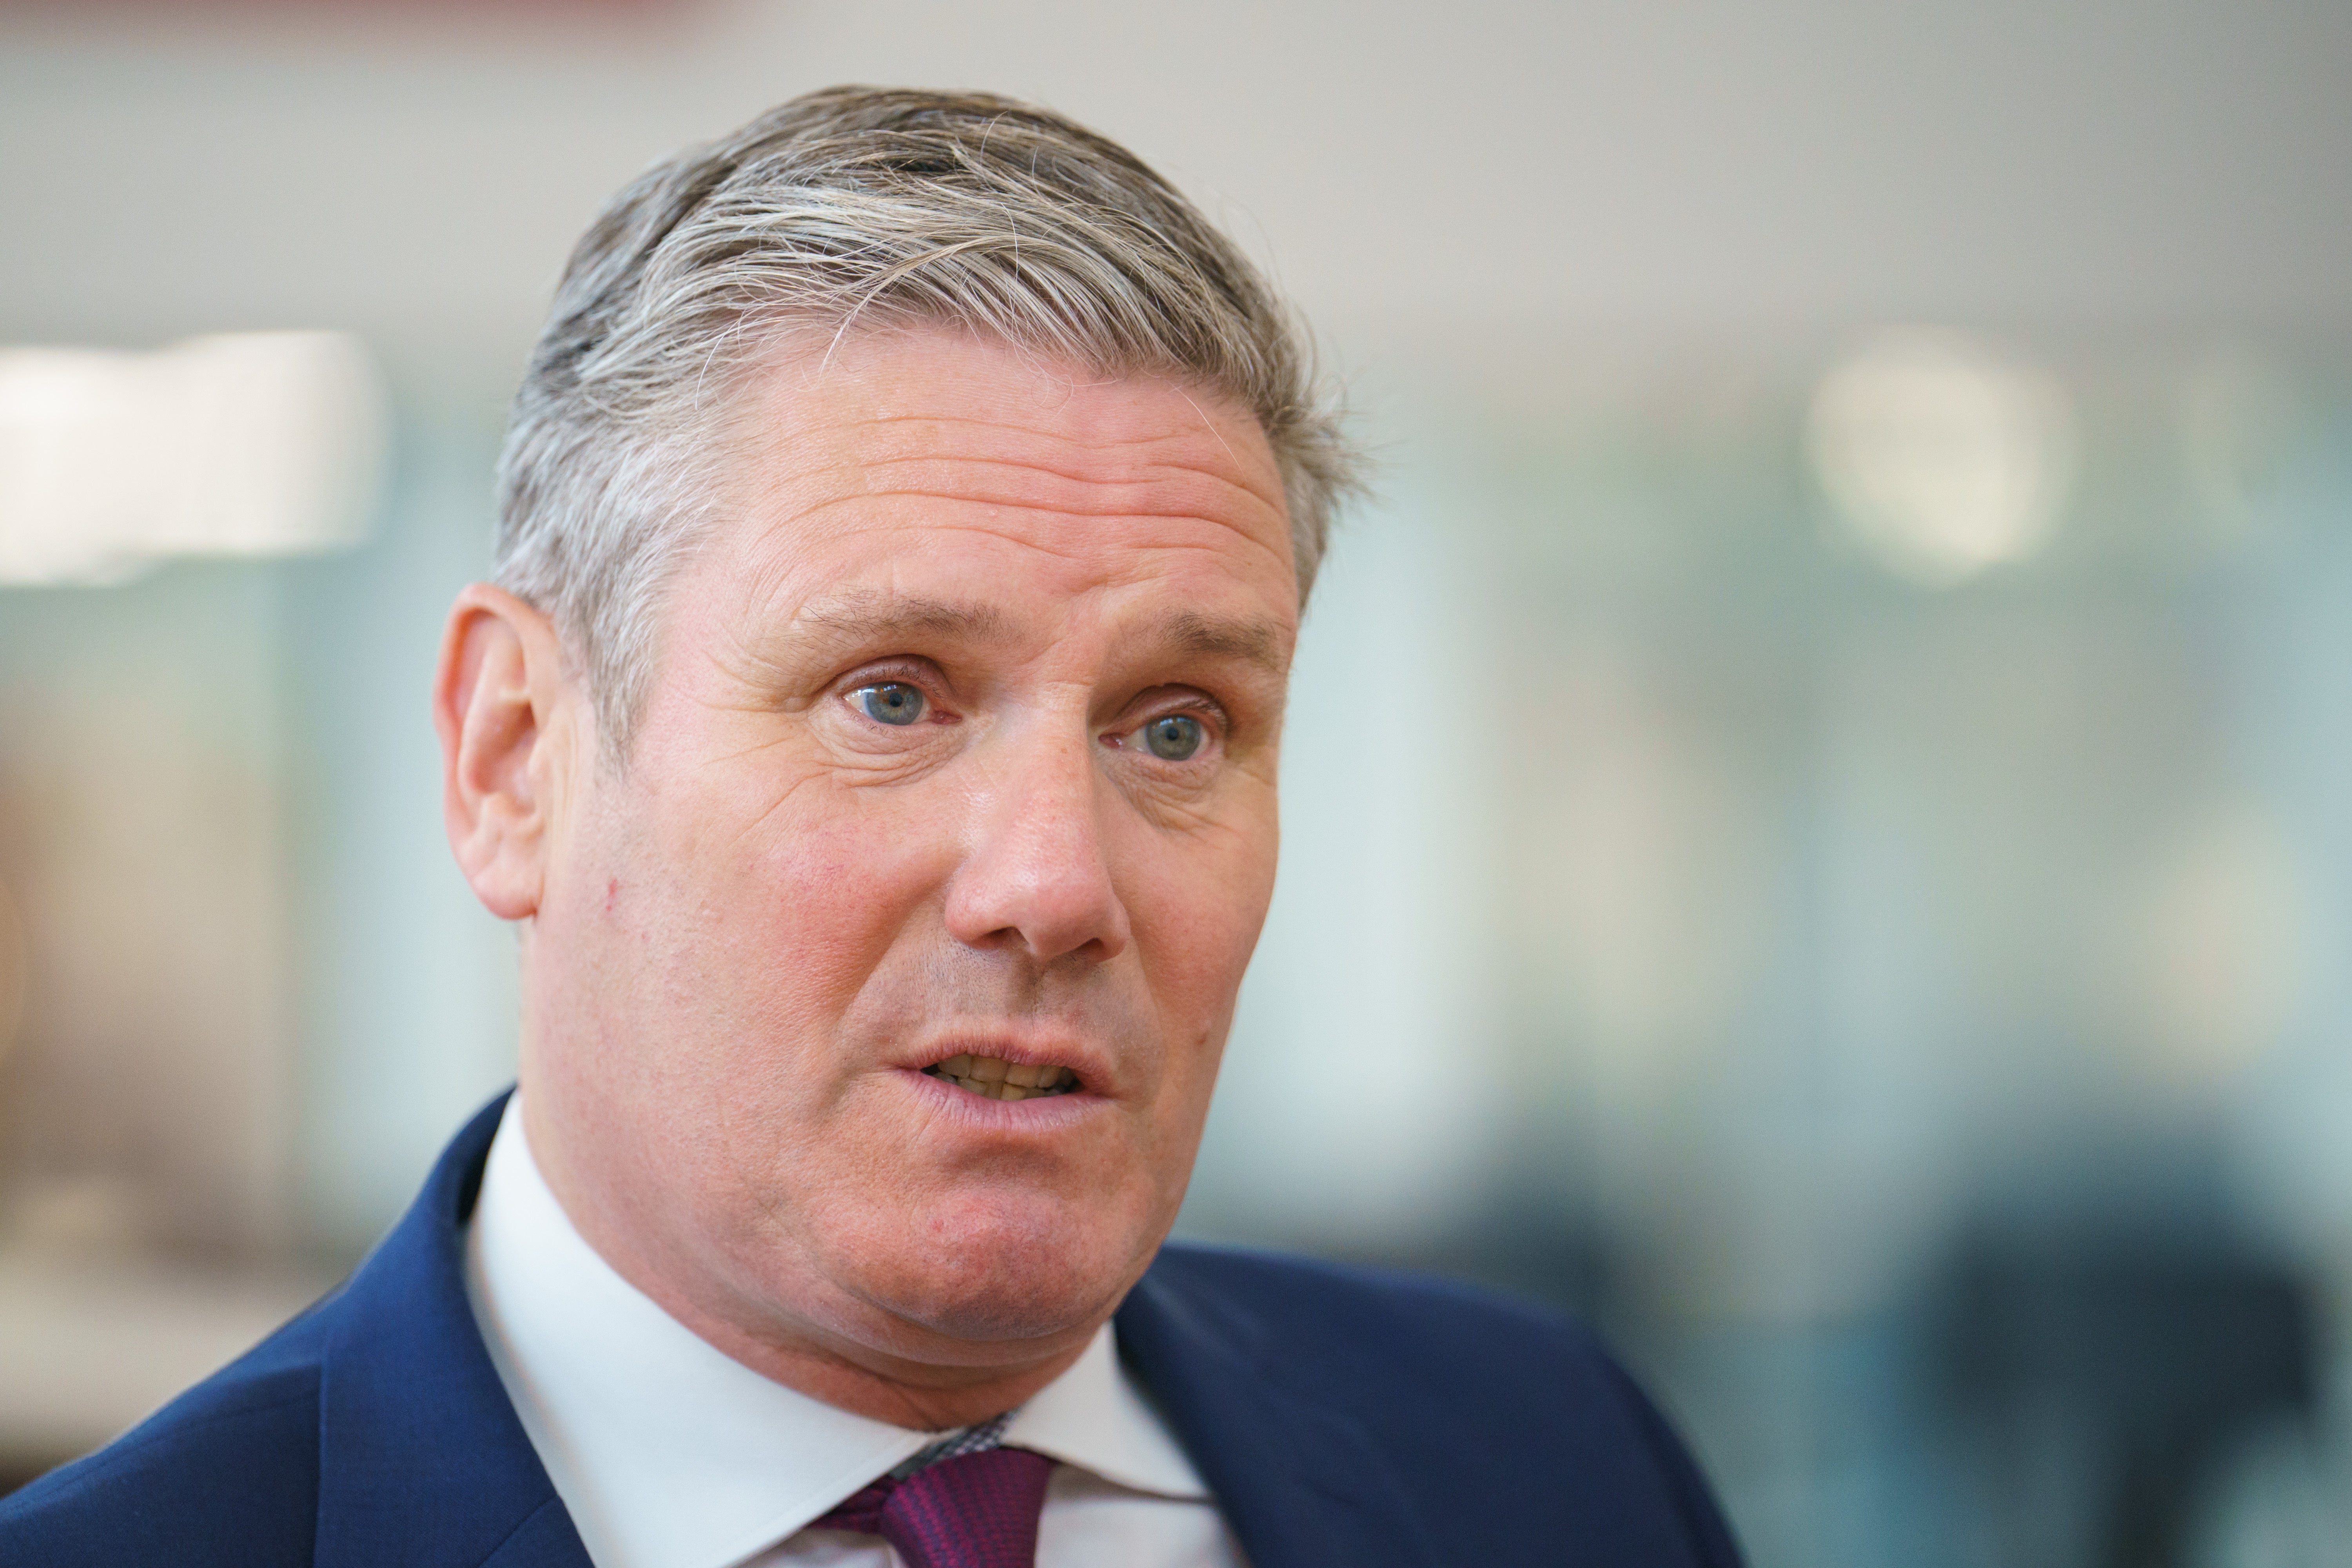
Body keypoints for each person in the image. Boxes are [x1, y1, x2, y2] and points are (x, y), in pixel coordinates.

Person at [0, 87, 1742, 1568]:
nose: (1055, 884)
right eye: (891, 698)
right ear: (515, 759)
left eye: (1175, 726)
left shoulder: (1554, 1467)